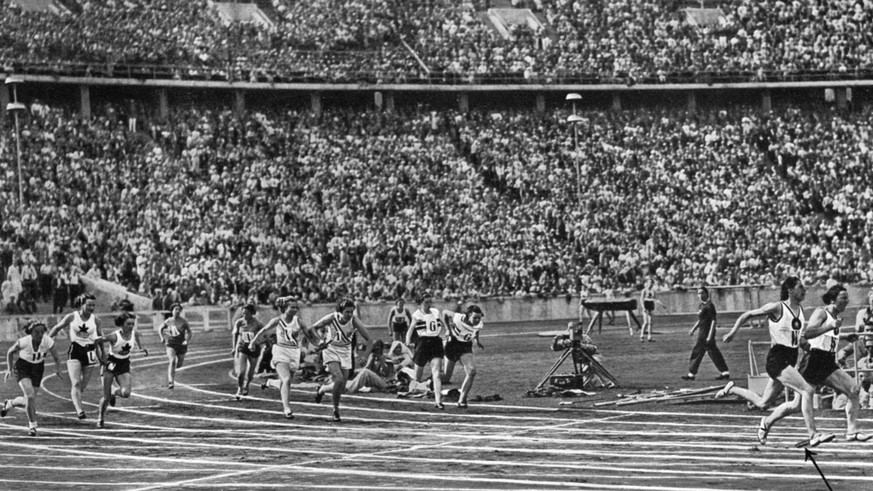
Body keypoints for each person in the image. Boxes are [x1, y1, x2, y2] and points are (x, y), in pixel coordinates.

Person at [720, 276, 832, 447]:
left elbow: (796, 337)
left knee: (763, 403)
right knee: (807, 390)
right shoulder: (778, 307)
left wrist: (805, 345)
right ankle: (813, 435)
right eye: (800, 287)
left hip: (791, 358)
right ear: (790, 290)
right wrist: (733, 332)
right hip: (778, 359)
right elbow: (749, 314)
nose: (804, 290)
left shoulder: (801, 311)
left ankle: (735, 392)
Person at [249, 297, 317, 419]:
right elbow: (264, 330)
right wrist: (253, 342)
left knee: (287, 381)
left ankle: (270, 382)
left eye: (296, 307)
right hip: (280, 351)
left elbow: (309, 336)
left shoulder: (299, 321)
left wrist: (320, 344)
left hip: (294, 353)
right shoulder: (278, 320)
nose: (295, 309)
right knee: (286, 379)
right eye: (292, 307)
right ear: (285, 308)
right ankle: (287, 408)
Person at [311, 298, 375, 422]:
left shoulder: (354, 321)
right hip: (331, 350)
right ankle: (336, 410)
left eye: (351, 312)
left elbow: (370, 340)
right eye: (347, 312)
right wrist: (320, 341)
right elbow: (314, 328)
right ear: (340, 311)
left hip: (345, 352)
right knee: (339, 379)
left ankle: (321, 389)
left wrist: (365, 356)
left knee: (342, 387)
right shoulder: (331, 318)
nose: (350, 315)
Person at [48, 293, 105, 419]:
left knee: (82, 385)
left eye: (93, 305)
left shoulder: (96, 320)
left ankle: (76, 398)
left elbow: (99, 339)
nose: (91, 308)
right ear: (82, 304)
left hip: (90, 351)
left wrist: (103, 357)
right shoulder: (72, 316)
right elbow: (57, 327)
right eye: (89, 305)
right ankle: (79, 410)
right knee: (76, 383)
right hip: (75, 350)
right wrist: (46, 341)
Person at [2, 321, 62, 436]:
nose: (40, 334)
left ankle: (10, 403)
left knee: (29, 400)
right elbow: (10, 352)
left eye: (42, 332)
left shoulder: (47, 341)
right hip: (23, 367)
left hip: (38, 368)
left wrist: (57, 369)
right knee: (30, 396)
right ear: (31, 333)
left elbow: (56, 357)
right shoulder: (24, 341)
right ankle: (32, 426)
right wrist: (9, 369)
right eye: (36, 332)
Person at [97, 312, 147, 428]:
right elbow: (97, 341)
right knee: (106, 397)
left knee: (126, 393)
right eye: (128, 324)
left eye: (132, 324)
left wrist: (141, 348)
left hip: (124, 363)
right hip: (111, 363)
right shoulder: (114, 336)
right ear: (122, 324)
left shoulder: (134, 333)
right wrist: (102, 357)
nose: (131, 326)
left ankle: (114, 391)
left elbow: (137, 339)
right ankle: (101, 417)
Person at [405, 294, 447, 410]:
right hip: (423, 344)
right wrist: (408, 340)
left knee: (437, 374)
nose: (429, 304)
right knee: (417, 377)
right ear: (420, 303)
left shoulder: (435, 312)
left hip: (435, 343)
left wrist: (448, 330)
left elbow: (444, 323)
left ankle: (438, 401)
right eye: (426, 302)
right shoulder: (417, 315)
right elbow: (410, 330)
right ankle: (405, 372)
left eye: (430, 302)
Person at [681, 287, 730, 381]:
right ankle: (725, 372)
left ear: (707, 294)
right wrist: (693, 329)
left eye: (702, 293)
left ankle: (691, 374)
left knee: (697, 351)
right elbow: (700, 320)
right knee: (713, 352)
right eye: (698, 294)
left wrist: (709, 335)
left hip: (705, 333)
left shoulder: (710, 306)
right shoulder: (701, 305)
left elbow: (713, 321)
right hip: (702, 331)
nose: (700, 295)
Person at [441, 305, 485, 408]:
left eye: (479, 317)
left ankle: (462, 400)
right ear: (469, 316)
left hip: (465, 347)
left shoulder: (479, 323)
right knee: (446, 377)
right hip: (452, 345)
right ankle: (428, 382)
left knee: (472, 371)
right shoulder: (458, 318)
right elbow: (444, 312)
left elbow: (477, 330)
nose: (477, 320)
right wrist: (447, 329)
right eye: (475, 318)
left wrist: (477, 341)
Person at [231, 303, 264, 399]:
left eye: (247, 313)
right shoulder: (239, 322)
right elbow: (235, 334)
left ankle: (247, 384)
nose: (245, 316)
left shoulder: (257, 323)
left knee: (250, 373)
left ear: (252, 313)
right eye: (243, 313)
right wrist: (234, 347)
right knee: (241, 371)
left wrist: (258, 341)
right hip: (243, 347)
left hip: (254, 349)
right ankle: (239, 388)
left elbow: (265, 333)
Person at [159, 303, 192, 389]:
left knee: (179, 364)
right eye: (175, 309)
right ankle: (171, 382)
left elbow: (189, 332)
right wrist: (162, 337)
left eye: (179, 309)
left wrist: (186, 340)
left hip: (181, 344)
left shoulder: (184, 321)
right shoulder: (168, 320)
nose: (177, 311)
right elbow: (160, 328)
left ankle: (172, 369)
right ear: (172, 311)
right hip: (171, 344)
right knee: (172, 360)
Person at [639, 278, 662, 342]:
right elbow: (641, 299)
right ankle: (642, 336)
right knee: (646, 322)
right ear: (647, 283)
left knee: (650, 322)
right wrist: (643, 307)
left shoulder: (653, 291)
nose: (650, 284)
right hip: (646, 305)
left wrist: (661, 304)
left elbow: (655, 298)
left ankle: (649, 336)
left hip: (651, 305)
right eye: (649, 282)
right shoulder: (644, 290)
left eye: (652, 283)